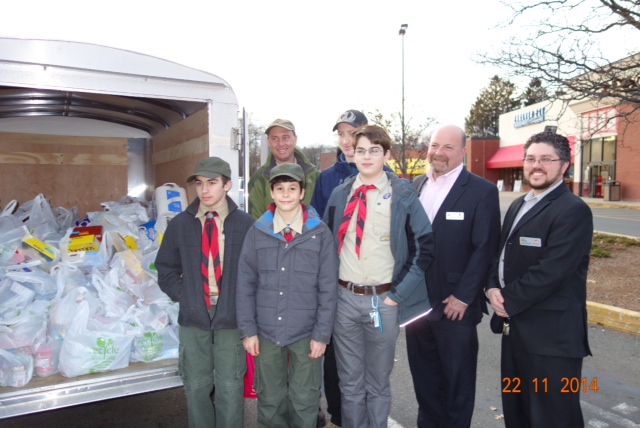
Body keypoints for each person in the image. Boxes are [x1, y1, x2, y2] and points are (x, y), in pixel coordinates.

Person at [323, 124, 434, 428]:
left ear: (386, 154)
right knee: (350, 384)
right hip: (344, 301)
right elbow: (325, 246)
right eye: (361, 150)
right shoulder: (340, 194)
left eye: (374, 150)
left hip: (382, 303)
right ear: (352, 153)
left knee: (378, 384)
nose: (367, 156)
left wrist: (396, 296)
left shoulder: (404, 194)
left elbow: (424, 248)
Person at [486, 131, 593, 428]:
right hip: (515, 331)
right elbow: (501, 253)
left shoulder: (573, 211)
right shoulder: (519, 204)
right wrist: (492, 286)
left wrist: (507, 299)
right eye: (531, 158)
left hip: (552, 341)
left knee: (553, 416)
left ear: (564, 165)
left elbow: (552, 271)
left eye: (546, 159)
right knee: (517, 411)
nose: (537, 165)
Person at [405, 124, 501, 428]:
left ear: (463, 152)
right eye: (435, 145)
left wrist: (463, 296)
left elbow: (485, 248)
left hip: (454, 305)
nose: (439, 153)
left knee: (457, 383)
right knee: (424, 377)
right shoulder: (415, 186)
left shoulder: (481, 191)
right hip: (417, 303)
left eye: (448, 147)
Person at [237, 163, 338, 428]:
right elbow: (245, 284)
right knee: (270, 399)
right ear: (271, 192)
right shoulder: (258, 232)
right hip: (267, 332)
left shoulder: (319, 233)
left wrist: (321, 335)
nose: (285, 194)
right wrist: (248, 331)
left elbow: (328, 288)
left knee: (305, 398)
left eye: (292, 188)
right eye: (279, 188)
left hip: (306, 334)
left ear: (302, 192)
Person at [156, 156, 254, 428]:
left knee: (230, 386)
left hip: (230, 317)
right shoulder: (180, 224)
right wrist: (184, 295)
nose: (205, 190)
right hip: (194, 315)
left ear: (227, 185)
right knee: (196, 386)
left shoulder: (246, 224)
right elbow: (165, 267)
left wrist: (243, 306)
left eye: (212, 183)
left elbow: (258, 272)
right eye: (199, 183)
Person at [309, 108, 371, 428]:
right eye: (341, 134)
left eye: (352, 133)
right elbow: (318, 230)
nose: (346, 140)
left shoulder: (379, 175)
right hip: (335, 282)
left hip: (368, 284)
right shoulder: (326, 179)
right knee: (333, 356)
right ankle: (338, 416)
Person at [248, 118, 319, 220]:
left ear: (295, 139)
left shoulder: (314, 176)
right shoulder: (258, 180)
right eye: (275, 139)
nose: (281, 144)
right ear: (268, 142)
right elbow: (256, 223)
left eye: (285, 138)